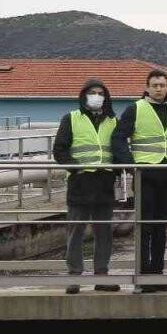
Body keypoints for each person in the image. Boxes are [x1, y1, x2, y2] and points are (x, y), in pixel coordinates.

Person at [111, 69, 167, 294]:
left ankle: (157, 275)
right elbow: (118, 138)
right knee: (144, 227)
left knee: (162, 227)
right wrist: (132, 165)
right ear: (147, 87)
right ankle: (143, 275)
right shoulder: (135, 108)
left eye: (162, 85)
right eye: (155, 85)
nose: (159, 89)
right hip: (145, 176)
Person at [52, 78, 121, 294]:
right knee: (76, 230)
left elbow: (118, 150)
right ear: (84, 95)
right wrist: (76, 168)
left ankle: (102, 275)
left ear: (106, 97)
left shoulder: (112, 120)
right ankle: (74, 276)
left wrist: (118, 170)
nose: (96, 96)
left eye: (100, 93)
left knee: (104, 232)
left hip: (104, 182)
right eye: (92, 92)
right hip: (80, 182)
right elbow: (60, 150)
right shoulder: (71, 119)